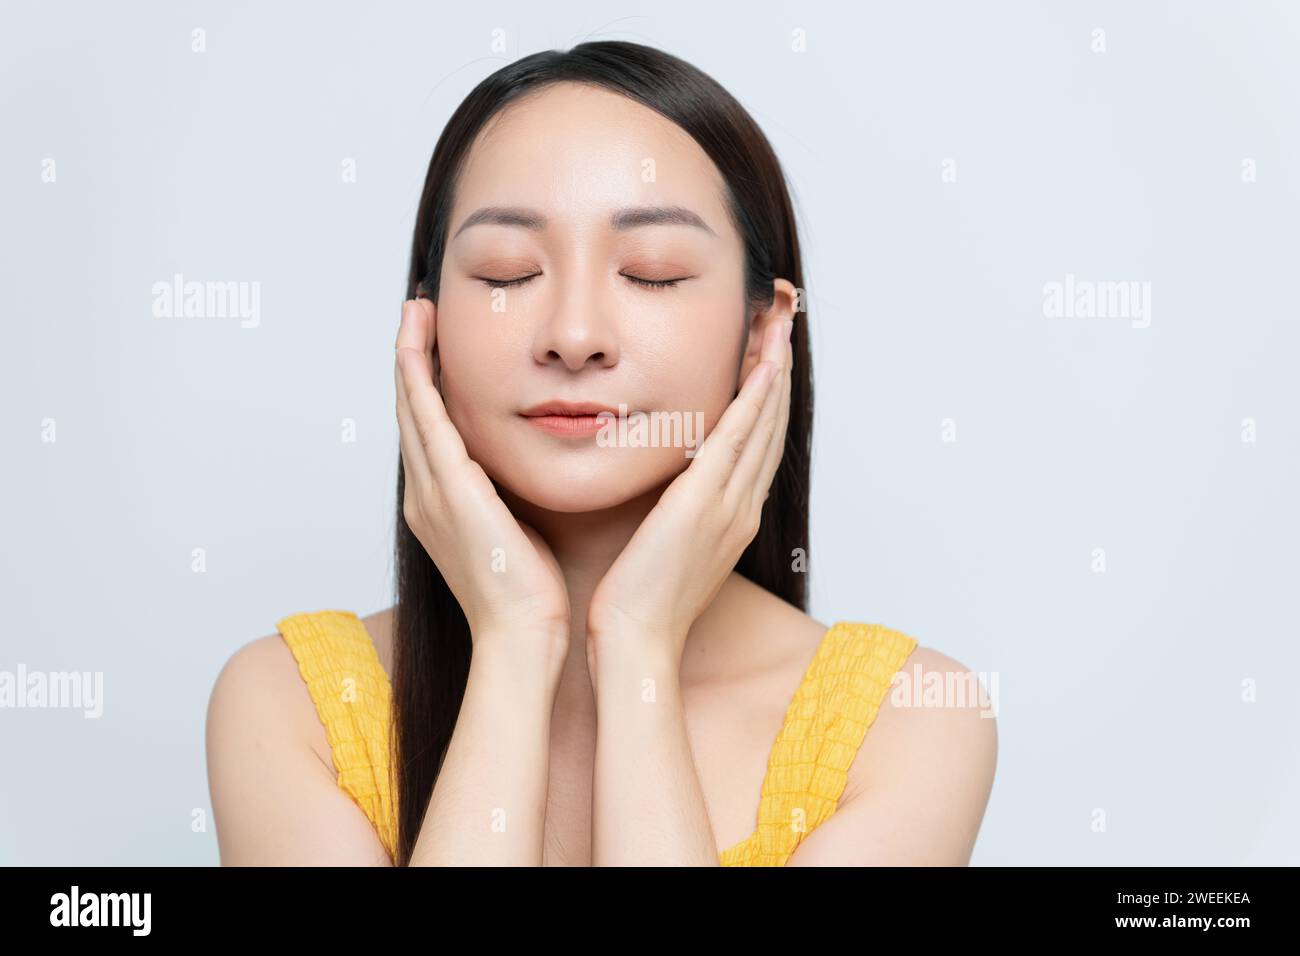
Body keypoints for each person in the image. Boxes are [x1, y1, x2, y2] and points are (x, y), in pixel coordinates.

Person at [205, 40, 996, 867]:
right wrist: (515, 639)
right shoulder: (290, 704)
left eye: (651, 274)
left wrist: (637, 643)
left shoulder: (909, 723)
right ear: (426, 328)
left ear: (764, 333)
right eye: (508, 273)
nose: (573, 337)